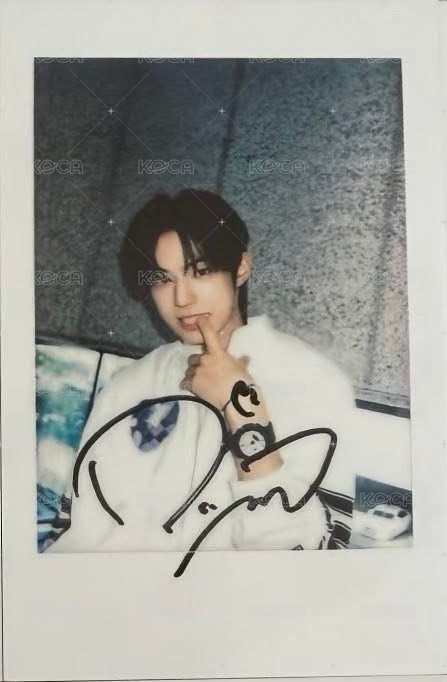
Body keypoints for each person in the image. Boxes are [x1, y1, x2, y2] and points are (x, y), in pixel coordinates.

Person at [47, 189, 357, 563]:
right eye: (163, 279)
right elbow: (74, 527)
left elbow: (315, 560)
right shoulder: (130, 385)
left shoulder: (312, 379)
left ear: (240, 267)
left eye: (201, 271)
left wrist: (244, 414)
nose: (182, 298)